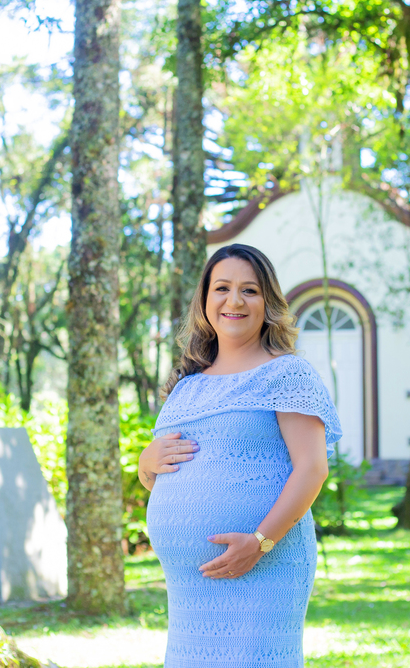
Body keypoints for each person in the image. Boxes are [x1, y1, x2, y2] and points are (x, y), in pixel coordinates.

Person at [139, 243, 342, 668]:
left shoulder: (287, 373)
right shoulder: (187, 384)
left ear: (268, 302)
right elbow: (162, 474)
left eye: (249, 290)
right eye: (222, 288)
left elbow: (312, 468)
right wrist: (147, 462)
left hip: (264, 565)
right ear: (205, 300)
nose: (234, 301)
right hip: (191, 586)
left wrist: (260, 543)